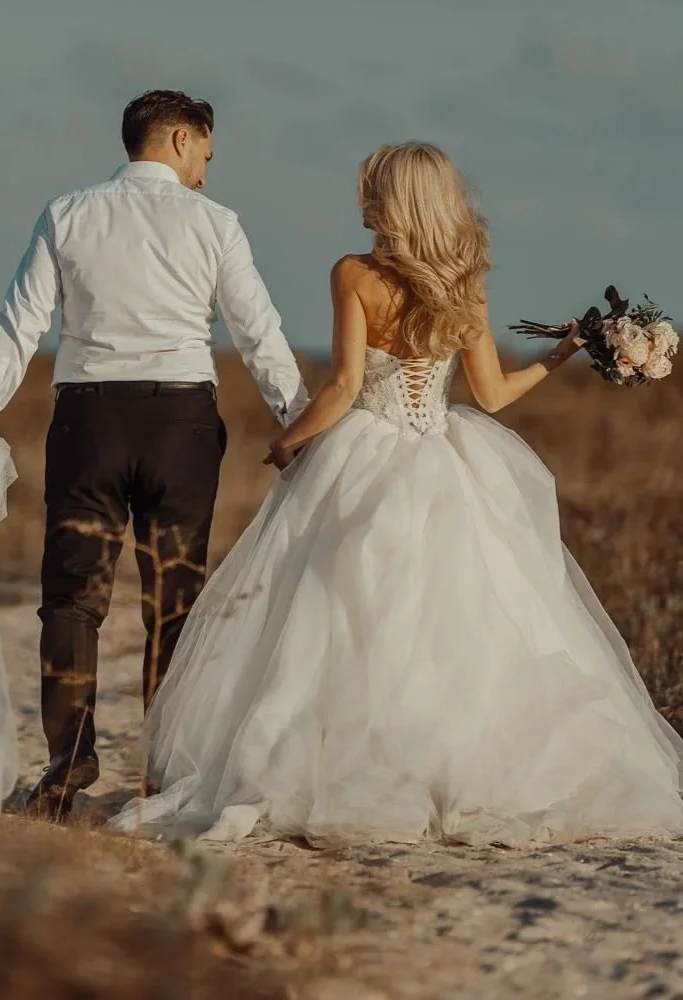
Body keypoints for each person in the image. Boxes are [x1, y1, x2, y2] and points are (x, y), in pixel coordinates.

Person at [111, 143, 683, 847]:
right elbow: (495, 398)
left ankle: (343, 761)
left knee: (337, 618)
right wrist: (563, 354)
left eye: (371, 189)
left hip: (366, 455)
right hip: (449, 460)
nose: (362, 201)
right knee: (463, 623)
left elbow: (346, 386)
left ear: (392, 201)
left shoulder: (354, 274)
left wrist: (290, 443)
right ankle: (454, 761)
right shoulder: (463, 285)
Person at [0, 90, 308, 819]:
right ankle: (165, 770)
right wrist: (299, 420)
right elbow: (259, 332)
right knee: (172, 601)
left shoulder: (67, 213)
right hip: (180, 427)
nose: (207, 176)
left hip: (89, 424)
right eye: (206, 156)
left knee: (72, 598)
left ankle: (68, 758)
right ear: (181, 139)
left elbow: (18, 326)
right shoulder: (215, 224)